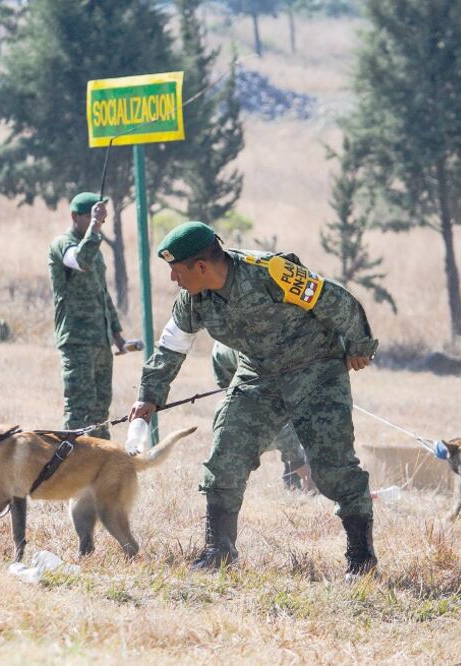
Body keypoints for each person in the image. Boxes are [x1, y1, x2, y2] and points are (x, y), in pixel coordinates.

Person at [128, 221, 378, 576]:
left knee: (332, 468)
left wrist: (359, 346)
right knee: (227, 450)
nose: (173, 279)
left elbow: (337, 300)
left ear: (200, 266)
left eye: (176, 270)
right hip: (259, 374)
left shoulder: (273, 273)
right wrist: (149, 396)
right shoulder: (193, 300)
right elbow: (171, 347)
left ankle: (361, 558)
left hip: (315, 370)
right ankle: (219, 550)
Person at [48, 192, 127, 439]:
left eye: (102, 218)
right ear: (75, 216)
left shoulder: (96, 249)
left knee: (100, 410)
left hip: (100, 341)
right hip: (77, 340)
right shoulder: (63, 244)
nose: (99, 221)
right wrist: (95, 227)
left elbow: (102, 293)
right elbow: (79, 260)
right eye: (92, 216)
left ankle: (99, 466)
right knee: (79, 408)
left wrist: (116, 333)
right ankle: (70, 462)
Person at [210, 341, 314, 492]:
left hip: (235, 352)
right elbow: (274, 417)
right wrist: (299, 463)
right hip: (229, 363)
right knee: (259, 419)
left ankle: (292, 471)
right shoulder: (268, 352)